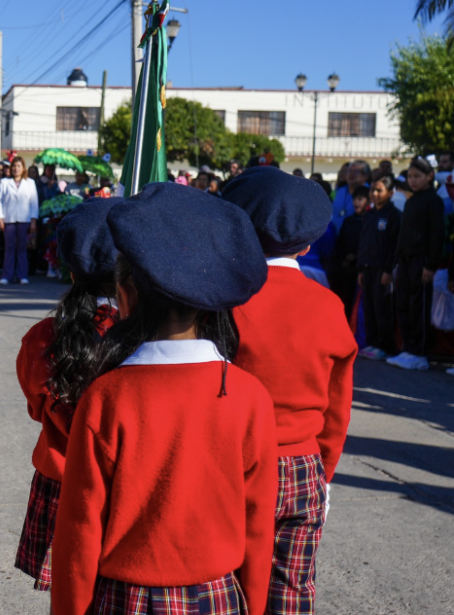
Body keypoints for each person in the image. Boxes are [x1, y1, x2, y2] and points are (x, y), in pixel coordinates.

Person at [51, 182, 277, 615]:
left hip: (124, 600)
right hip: (220, 597)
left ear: (125, 295)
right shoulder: (251, 396)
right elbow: (258, 524)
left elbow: (80, 530)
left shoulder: (104, 397)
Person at [222, 167, 357, 615]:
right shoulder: (329, 305)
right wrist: (324, 470)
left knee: (227, 583)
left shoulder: (223, 302)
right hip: (303, 465)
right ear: (307, 243)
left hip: (231, 463)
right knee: (293, 588)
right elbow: (338, 408)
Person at [14, 199, 119, 592]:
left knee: (70, 591)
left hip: (63, 477)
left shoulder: (43, 337)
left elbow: (35, 406)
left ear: (70, 270)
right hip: (128, 483)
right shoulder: (146, 336)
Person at [387, 156, 446, 372]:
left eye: (417, 176)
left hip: (421, 262)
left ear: (430, 176)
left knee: (418, 307)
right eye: (410, 176)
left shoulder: (433, 201)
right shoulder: (411, 201)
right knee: (404, 305)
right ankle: (408, 349)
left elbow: (436, 234)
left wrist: (430, 265)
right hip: (405, 261)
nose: (412, 180)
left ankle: (419, 354)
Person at [357, 175, 401, 360]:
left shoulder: (394, 215)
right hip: (367, 268)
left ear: (390, 193)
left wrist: (388, 270)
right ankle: (373, 343)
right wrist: (360, 268)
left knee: (383, 309)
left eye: (379, 190)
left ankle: (385, 346)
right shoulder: (369, 214)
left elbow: (395, 245)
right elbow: (363, 242)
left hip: (383, 270)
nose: (374, 194)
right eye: (372, 190)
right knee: (369, 308)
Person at [327, 185, 370, 320]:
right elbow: (340, 242)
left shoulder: (369, 220)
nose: (356, 203)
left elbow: (368, 245)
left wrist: (356, 256)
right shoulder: (348, 220)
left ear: (368, 201)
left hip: (359, 268)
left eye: (360, 199)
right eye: (355, 199)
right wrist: (343, 258)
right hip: (344, 267)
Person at [0, 156, 39, 285]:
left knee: (22, 247)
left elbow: (34, 203)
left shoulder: (30, 182)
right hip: (9, 220)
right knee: (9, 247)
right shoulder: (4, 182)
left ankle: (22, 275)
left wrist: (34, 221)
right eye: (14, 166)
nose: (16, 169)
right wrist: (0, 218)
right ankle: (6, 275)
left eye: (19, 166)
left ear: (23, 168)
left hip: (24, 219)